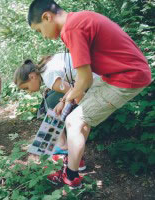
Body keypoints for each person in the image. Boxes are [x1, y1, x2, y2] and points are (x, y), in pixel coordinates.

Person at [28, 0, 152, 189]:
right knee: (79, 112)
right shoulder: (78, 20)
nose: (43, 36)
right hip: (120, 73)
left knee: (73, 121)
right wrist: (65, 99)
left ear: (47, 17)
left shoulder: (72, 29)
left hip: (127, 76)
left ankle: (71, 176)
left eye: (39, 30)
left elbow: (85, 81)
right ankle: (75, 163)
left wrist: (65, 100)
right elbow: (82, 79)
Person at [14, 53, 94, 171]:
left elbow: (79, 93)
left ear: (32, 76)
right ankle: (61, 145)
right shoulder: (46, 69)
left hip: (93, 81)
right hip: (89, 75)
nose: (28, 91)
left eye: (26, 88)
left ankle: (69, 151)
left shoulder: (48, 76)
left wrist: (64, 102)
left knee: (52, 100)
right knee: (51, 97)